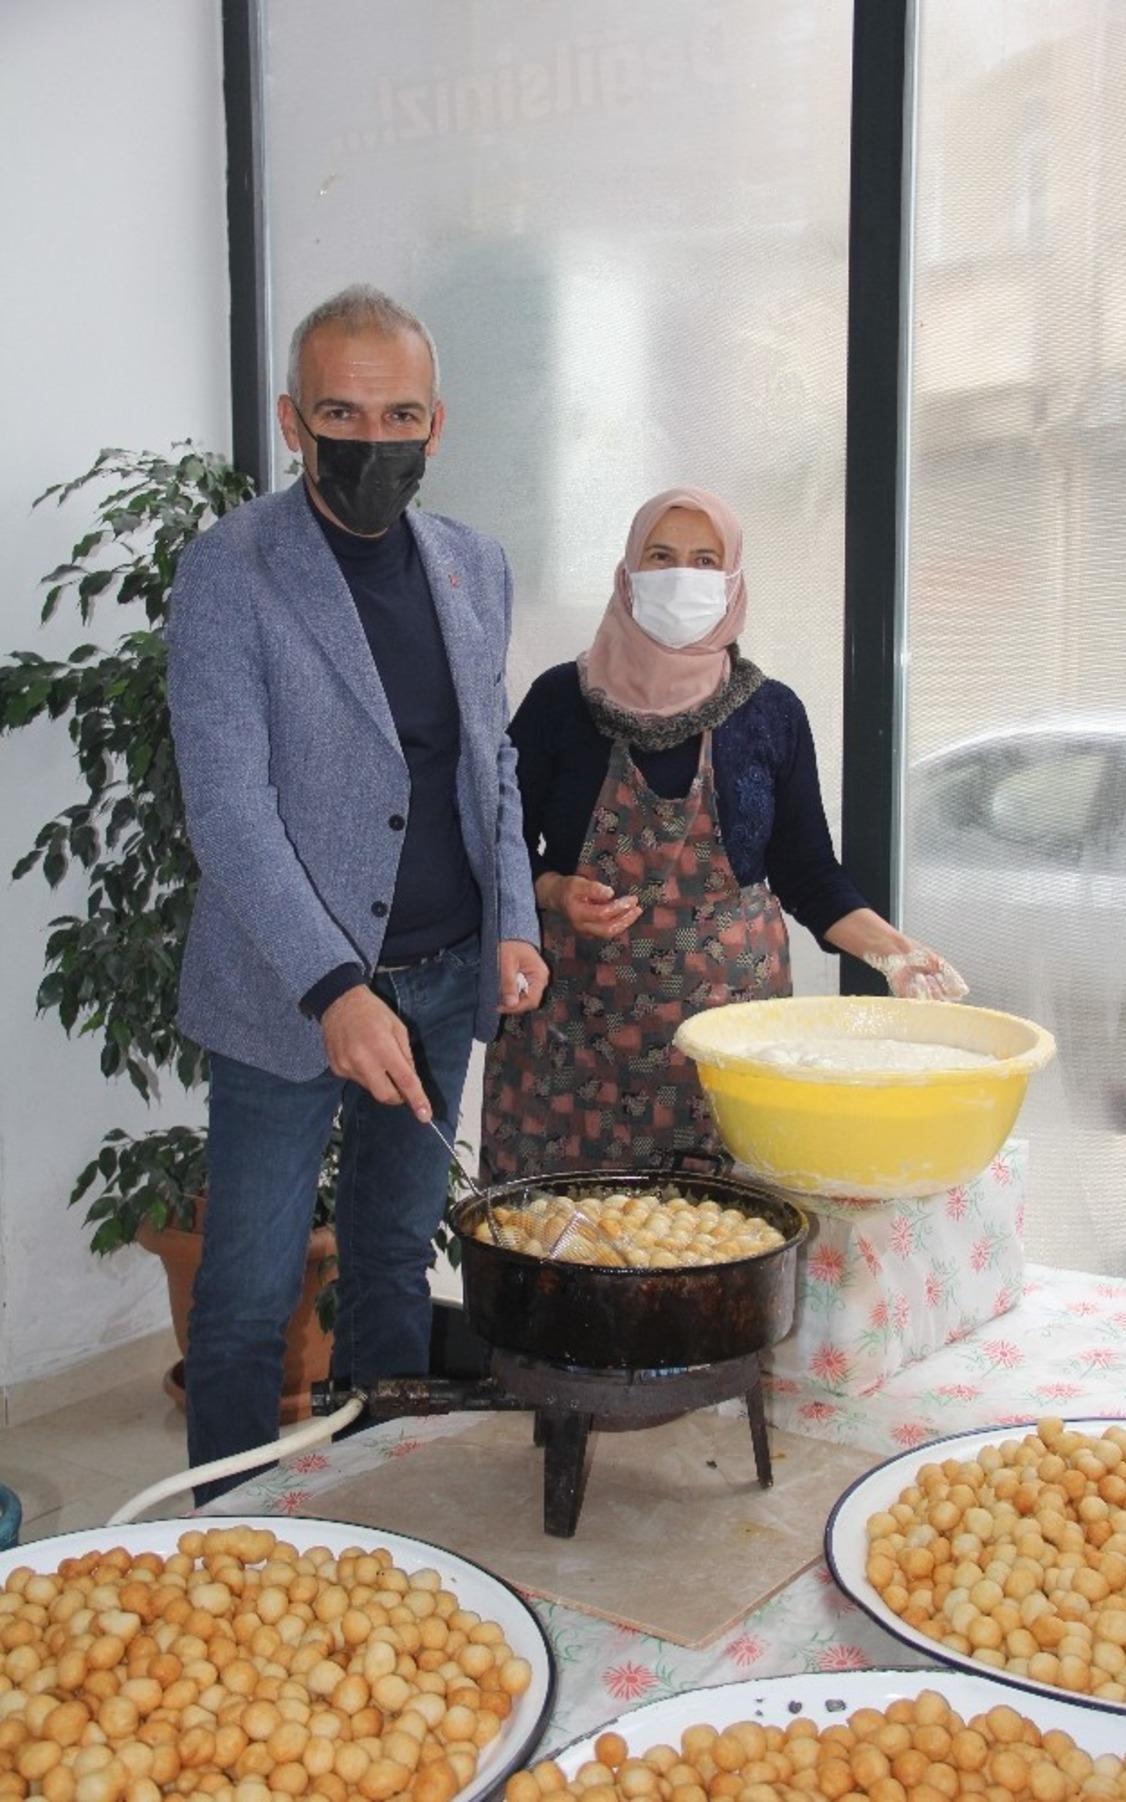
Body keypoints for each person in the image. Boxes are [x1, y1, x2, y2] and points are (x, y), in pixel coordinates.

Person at [168, 285, 547, 1497]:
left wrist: (515, 921)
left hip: (439, 980)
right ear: (292, 417)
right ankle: (224, 1539)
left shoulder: (473, 563)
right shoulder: (230, 570)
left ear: (435, 426)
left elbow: (490, 756)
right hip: (291, 991)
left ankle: (380, 1513)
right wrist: (333, 986)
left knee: (390, 1263)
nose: (369, 438)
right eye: (340, 409)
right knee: (245, 1292)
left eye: (397, 413)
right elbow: (226, 807)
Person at [480, 486, 964, 1182]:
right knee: (563, 1242)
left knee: (714, 1249)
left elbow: (807, 872)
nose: (685, 577)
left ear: (733, 580)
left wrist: (895, 952)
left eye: (706, 561)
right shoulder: (562, 701)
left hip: (728, 1043)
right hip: (573, 1041)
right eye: (663, 556)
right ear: (628, 573)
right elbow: (497, 849)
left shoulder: (769, 714)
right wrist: (552, 891)